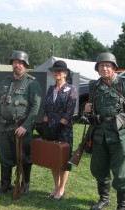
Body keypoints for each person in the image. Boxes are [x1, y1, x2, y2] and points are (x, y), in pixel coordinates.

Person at [84, 52, 125, 210]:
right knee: (99, 169)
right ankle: (104, 199)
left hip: (121, 135)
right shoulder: (94, 86)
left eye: (108, 65)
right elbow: (89, 112)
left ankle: (121, 208)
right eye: (101, 66)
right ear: (97, 69)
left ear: (114, 68)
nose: (104, 68)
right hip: (100, 133)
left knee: (121, 173)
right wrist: (87, 110)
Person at [0, 50, 42, 194]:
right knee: (4, 156)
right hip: (4, 127)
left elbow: (35, 107)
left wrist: (26, 126)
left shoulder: (31, 83)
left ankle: (24, 184)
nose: (18, 65)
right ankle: (5, 184)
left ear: (25, 65)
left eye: (21, 63)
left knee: (24, 158)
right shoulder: (5, 81)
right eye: (15, 62)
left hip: (21, 127)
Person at [42, 60, 77, 201]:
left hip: (64, 130)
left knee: (63, 160)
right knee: (53, 159)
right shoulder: (50, 89)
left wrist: (58, 126)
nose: (56, 73)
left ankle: (62, 188)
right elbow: (46, 109)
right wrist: (45, 127)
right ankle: (56, 187)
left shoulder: (71, 89)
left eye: (59, 71)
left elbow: (69, 112)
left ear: (65, 73)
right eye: (54, 70)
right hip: (50, 129)